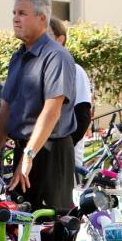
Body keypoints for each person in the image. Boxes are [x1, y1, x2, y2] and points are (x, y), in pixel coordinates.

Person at [0, 0, 78, 211]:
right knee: (19, 221)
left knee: (50, 224)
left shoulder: (56, 56)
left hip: (51, 152)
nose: (16, 18)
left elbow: (52, 110)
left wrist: (30, 154)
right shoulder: (17, 57)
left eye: (22, 13)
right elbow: (7, 106)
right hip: (24, 151)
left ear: (42, 18)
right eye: (14, 12)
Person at [48, 17, 93, 158]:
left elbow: (83, 115)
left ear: (60, 39)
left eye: (46, 35)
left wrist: (64, 146)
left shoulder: (75, 70)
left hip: (64, 154)